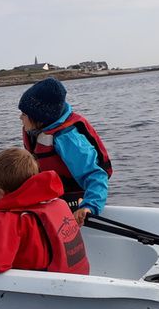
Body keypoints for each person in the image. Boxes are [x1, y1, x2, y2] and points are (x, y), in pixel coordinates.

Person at [0, 147, 90, 275]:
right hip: (78, 276)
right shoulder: (58, 203)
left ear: (1, 191)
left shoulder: (5, 219)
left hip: (44, 287)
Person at [18, 77, 112, 226]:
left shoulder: (68, 139)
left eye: (24, 114)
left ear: (40, 117)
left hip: (74, 204)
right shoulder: (39, 131)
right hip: (54, 202)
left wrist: (89, 206)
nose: (20, 118)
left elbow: (96, 175)